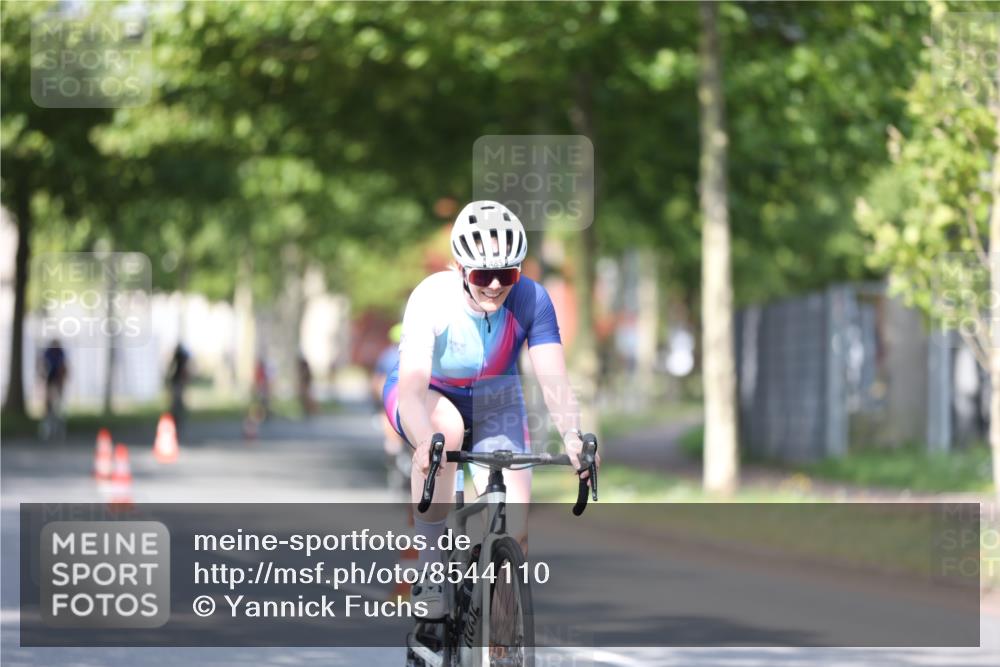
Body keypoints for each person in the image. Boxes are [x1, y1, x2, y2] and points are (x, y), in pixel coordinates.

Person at [381, 200, 599, 618]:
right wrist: (425, 441)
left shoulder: (532, 299)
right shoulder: (432, 298)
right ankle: (430, 570)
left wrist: (573, 437)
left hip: (495, 400)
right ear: (460, 268)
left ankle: (499, 636)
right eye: (483, 275)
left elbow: (554, 380)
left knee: (515, 531)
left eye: (507, 274)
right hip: (429, 394)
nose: (496, 285)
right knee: (445, 432)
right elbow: (411, 392)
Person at [372, 324, 407, 491]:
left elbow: (377, 382)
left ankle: (393, 459)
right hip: (413, 399)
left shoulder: (386, 356)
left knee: (390, 434)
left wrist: (378, 403)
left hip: (391, 401)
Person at [39, 339, 68, 440]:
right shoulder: (49, 353)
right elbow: (43, 367)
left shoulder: (60, 353)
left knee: (58, 407)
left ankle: (57, 430)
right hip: (50, 381)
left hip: (57, 382)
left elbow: (63, 368)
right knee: (49, 406)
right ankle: (48, 429)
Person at [167, 343, 191, 435]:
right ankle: (176, 420)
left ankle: (176, 420)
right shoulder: (182, 358)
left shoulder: (179, 358)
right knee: (177, 402)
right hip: (178, 382)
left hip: (177, 382)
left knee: (177, 403)